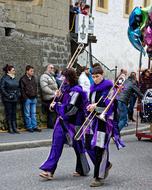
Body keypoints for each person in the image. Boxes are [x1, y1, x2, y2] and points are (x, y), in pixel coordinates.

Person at [39, 68, 90, 180]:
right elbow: (62, 103)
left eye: (64, 77)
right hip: (61, 122)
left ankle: (82, 168)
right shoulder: (64, 89)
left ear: (68, 78)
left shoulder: (77, 91)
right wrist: (57, 96)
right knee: (56, 146)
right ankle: (49, 171)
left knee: (79, 147)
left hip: (74, 124)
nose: (61, 79)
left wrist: (56, 106)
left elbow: (70, 110)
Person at [85, 66, 122, 187]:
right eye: (93, 77)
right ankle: (105, 165)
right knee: (89, 145)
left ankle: (98, 177)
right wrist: (89, 107)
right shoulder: (93, 88)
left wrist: (96, 107)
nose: (95, 79)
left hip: (105, 122)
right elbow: (90, 102)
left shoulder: (109, 87)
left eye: (97, 76)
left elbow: (109, 106)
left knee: (100, 148)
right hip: (94, 120)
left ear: (103, 75)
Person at [20, 65, 41, 132]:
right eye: (31, 71)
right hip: (27, 99)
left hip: (33, 98)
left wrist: (36, 95)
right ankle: (29, 127)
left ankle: (34, 126)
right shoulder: (23, 79)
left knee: (33, 113)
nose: (32, 72)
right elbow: (22, 90)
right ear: (27, 71)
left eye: (33, 71)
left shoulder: (33, 78)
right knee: (27, 114)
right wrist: (25, 98)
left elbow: (35, 87)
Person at [0, 64, 20, 134]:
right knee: (9, 113)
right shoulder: (4, 78)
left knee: (14, 113)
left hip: (14, 98)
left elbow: (18, 88)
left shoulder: (15, 78)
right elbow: (2, 88)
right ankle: (10, 127)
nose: (14, 71)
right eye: (13, 70)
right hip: (7, 99)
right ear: (8, 71)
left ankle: (15, 127)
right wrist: (8, 95)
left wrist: (17, 94)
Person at [40, 64, 58, 129]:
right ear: (47, 68)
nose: (52, 69)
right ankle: (51, 125)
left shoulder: (52, 77)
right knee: (51, 112)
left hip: (54, 96)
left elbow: (55, 86)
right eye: (51, 67)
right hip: (49, 97)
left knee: (54, 112)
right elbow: (44, 88)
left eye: (53, 68)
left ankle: (53, 124)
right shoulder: (44, 77)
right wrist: (54, 93)